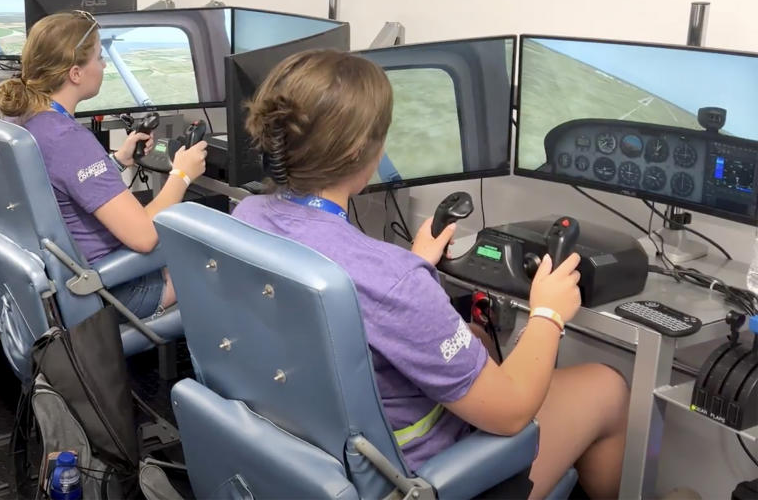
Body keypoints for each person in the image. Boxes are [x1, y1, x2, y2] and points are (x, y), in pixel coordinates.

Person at [234, 50, 628, 499]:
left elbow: (366, 282)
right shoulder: (392, 281)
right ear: (360, 151)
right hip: (418, 477)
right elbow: (513, 412)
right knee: (608, 389)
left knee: (477, 337)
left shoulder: (246, 214)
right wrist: (548, 313)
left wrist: (414, 263)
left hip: (301, 455)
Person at [0, 11, 208, 320]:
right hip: (113, 288)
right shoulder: (68, 139)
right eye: (98, 57)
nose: (104, 64)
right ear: (75, 74)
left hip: (59, 281)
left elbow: (58, 185)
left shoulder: (21, 119)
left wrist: (116, 161)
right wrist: (183, 174)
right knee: (211, 261)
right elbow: (145, 235)